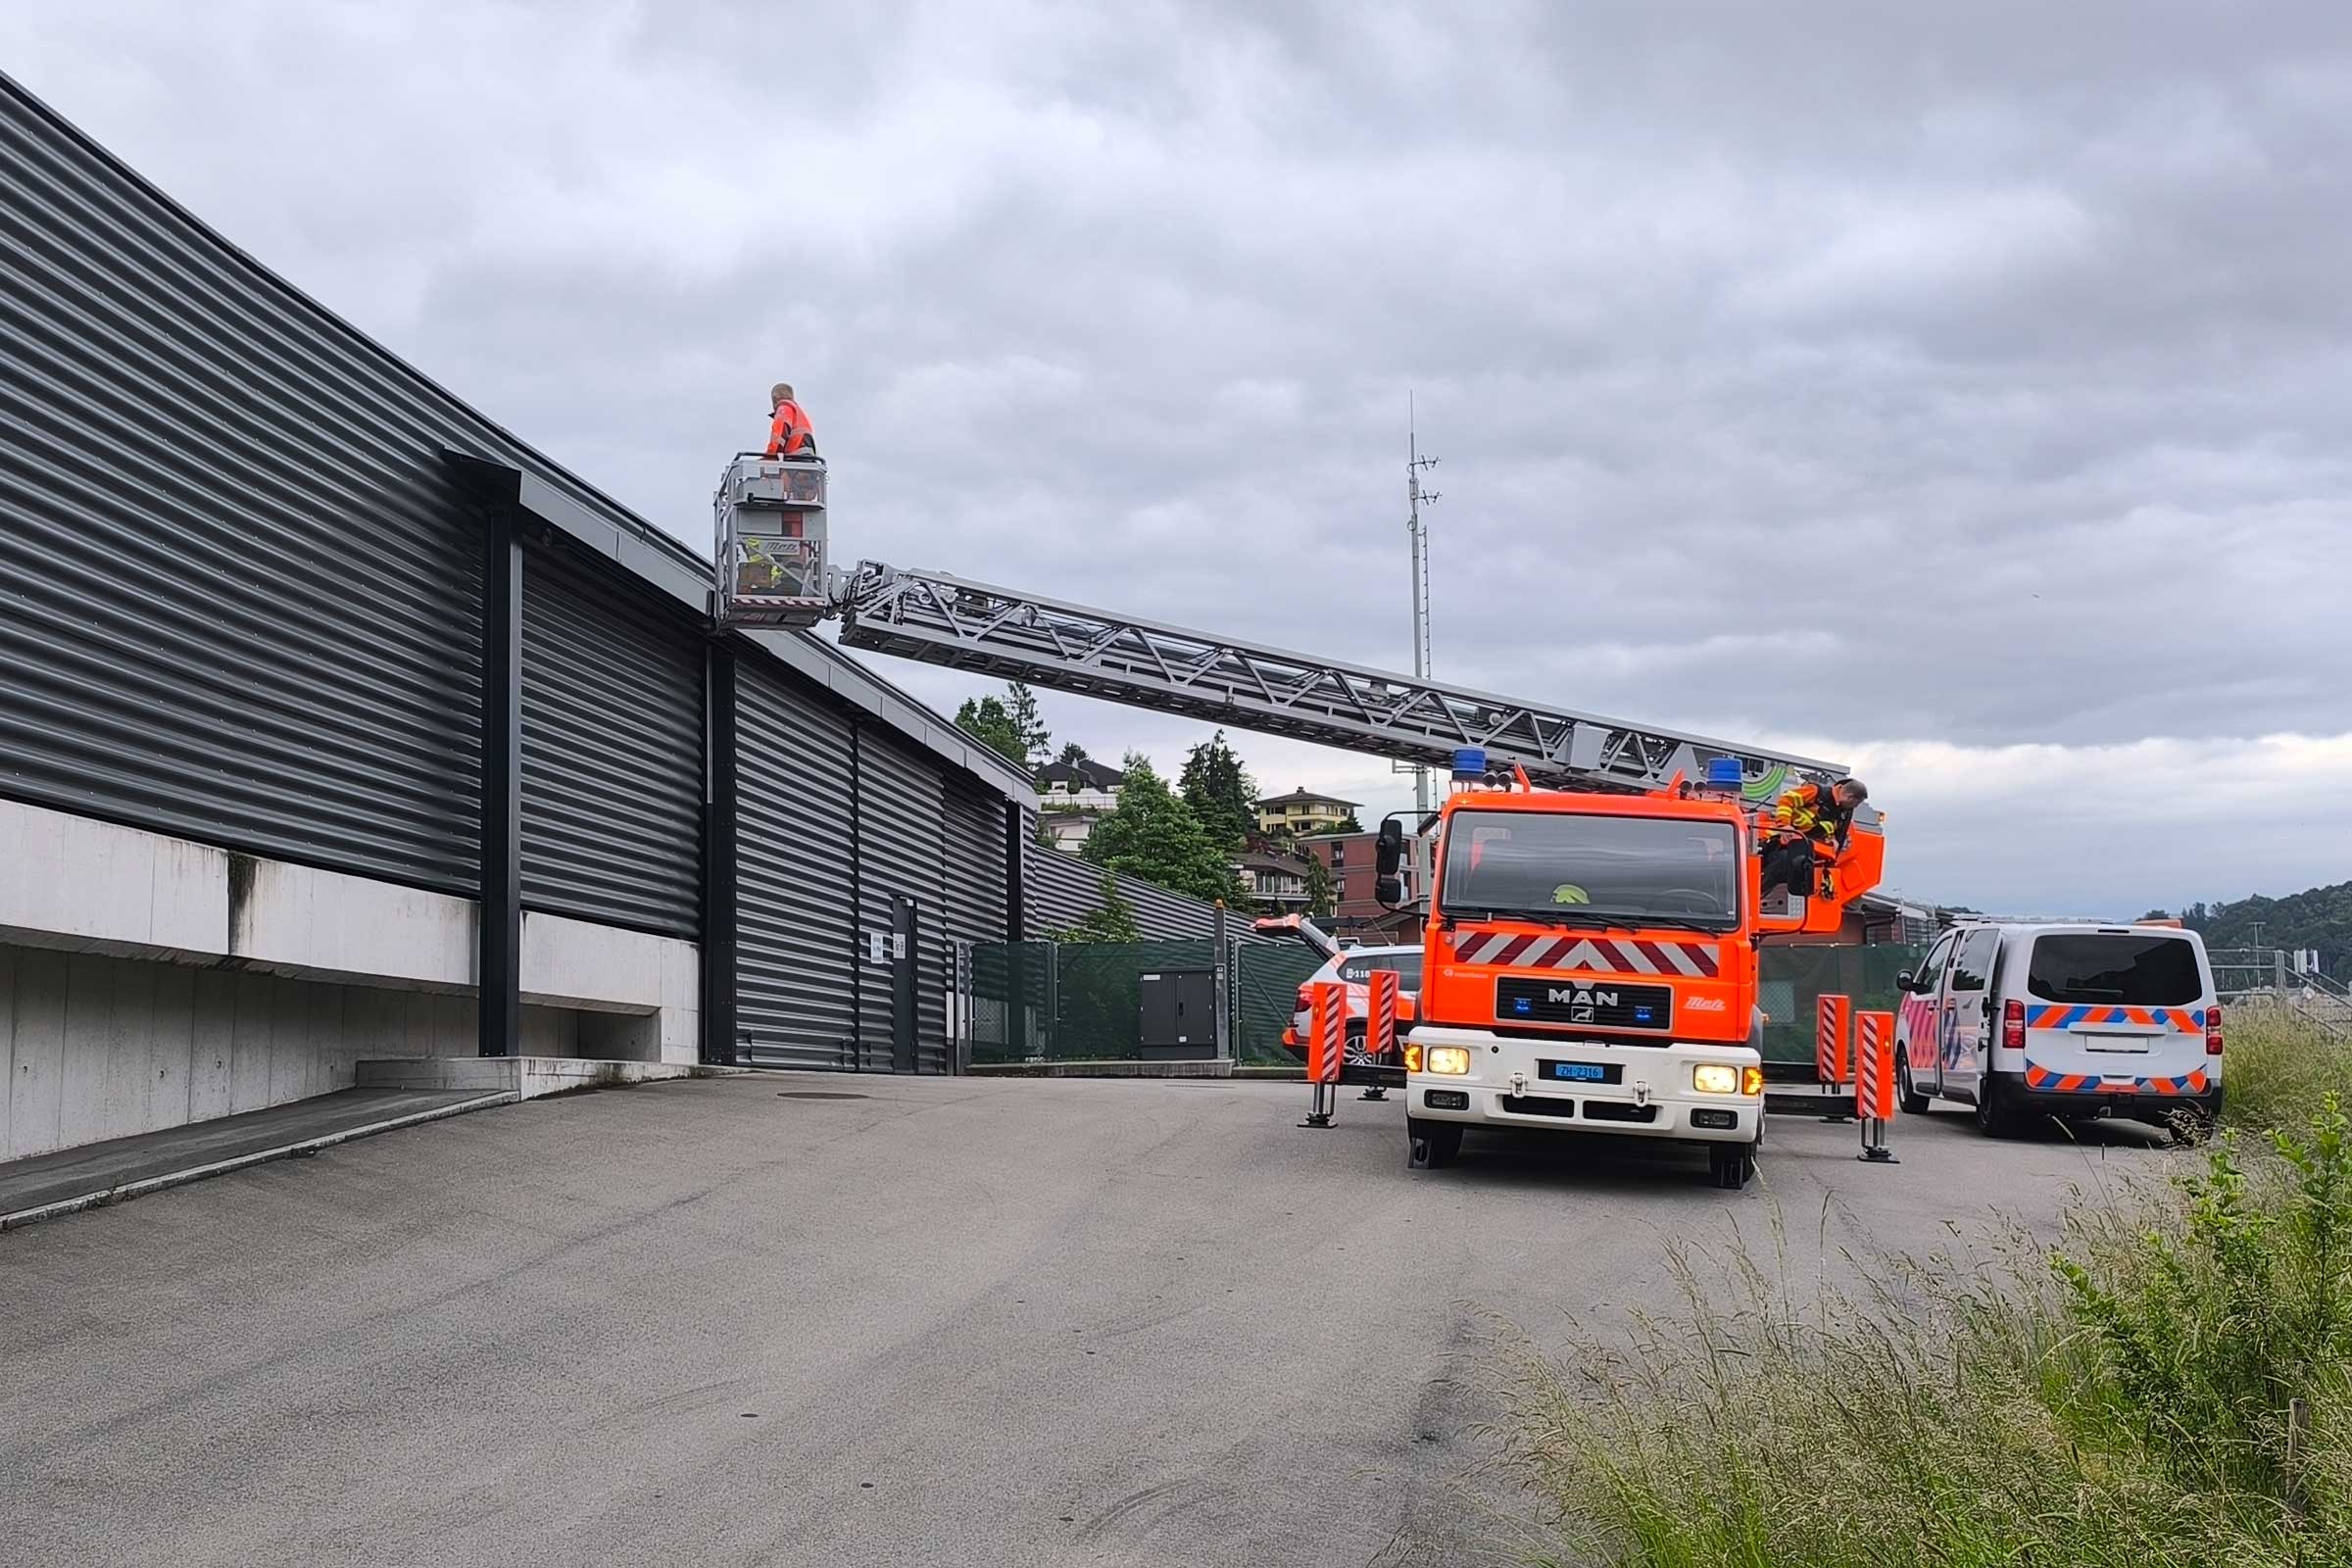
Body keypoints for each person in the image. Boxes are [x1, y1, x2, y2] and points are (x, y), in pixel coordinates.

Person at [1759, 777, 1868, 901]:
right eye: (1856, 804)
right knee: (1782, 861)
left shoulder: (1839, 811)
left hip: (1802, 849)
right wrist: (1784, 825)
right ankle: (1755, 896)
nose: (1854, 807)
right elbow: (1787, 799)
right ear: (1849, 797)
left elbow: (1825, 826)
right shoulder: (1816, 792)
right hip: (1780, 842)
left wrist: (1831, 839)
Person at [763, 382, 816, 459]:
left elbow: (778, 439)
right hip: (806, 460)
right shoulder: (798, 413)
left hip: (795, 459)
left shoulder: (783, 409)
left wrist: (768, 457)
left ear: (775, 398)